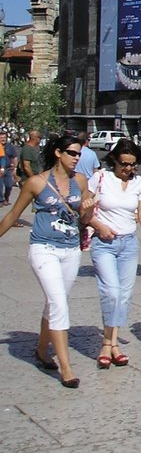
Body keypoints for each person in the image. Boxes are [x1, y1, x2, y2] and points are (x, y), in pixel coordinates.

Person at [0, 135, 94, 388]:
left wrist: (89, 207)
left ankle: (42, 350)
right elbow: (13, 215)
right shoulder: (36, 183)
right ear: (58, 153)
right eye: (72, 153)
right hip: (43, 248)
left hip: (71, 249)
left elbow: (84, 218)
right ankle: (65, 367)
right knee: (58, 303)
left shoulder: (81, 181)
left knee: (55, 302)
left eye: (79, 154)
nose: (76, 158)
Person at [86, 139, 141, 369]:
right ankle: (108, 344)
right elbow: (83, 209)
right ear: (114, 162)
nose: (128, 169)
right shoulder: (100, 178)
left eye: (132, 164)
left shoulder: (136, 182)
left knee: (124, 295)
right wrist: (99, 226)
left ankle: (113, 343)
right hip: (104, 242)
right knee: (111, 292)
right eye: (124, 164)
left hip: (128, 243)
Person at [0, 130, 16, 205]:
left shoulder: (10, 146)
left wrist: (14, 168)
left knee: (9, 185)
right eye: (1, 138)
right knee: (0, 186)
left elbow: (14, 157)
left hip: (8, 169)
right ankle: (1, 200)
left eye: (4, 137)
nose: (3, 139)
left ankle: (6, 198)